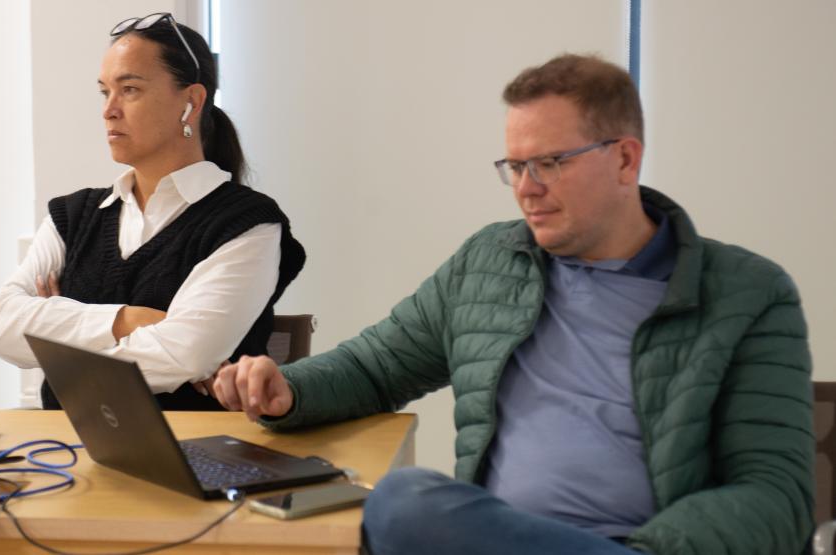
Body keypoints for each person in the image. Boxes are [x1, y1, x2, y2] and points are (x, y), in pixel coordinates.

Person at [210, 54, 814, 554]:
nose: (527, 187)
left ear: (625, 158)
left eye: (550, 162)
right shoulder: (488, 264)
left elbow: (774, 495)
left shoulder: (746, 293)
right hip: (492, 536)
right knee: (408, 500)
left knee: (402, 507)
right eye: (516, 165)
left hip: (638, 545)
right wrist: (289, 390)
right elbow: (376, 366)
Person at [0, 13, 306, 411]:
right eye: (105, 92)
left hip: (199, 458)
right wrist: (130, 320)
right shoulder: (72, 216)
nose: (109, 110)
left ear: (191, 102)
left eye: (130, 90)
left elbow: (182, 356)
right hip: (64, 452)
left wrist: (55, 326)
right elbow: (3, 328)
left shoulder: (246, 224)